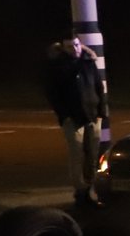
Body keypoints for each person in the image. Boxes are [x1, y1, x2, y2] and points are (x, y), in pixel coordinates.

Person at [44, 35, 108, 209]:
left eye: (77, 45)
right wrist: (65, 116)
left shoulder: (88, 62)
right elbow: (53, 94)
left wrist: (102, 112)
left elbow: (98, 87)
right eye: (70, 47)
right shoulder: (58, 67)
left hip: (93, 115)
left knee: (93, 155)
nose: (75, 49)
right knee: (77, 155)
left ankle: (90, 189)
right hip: (73, 119)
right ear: (63, 49)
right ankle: (80, 191)